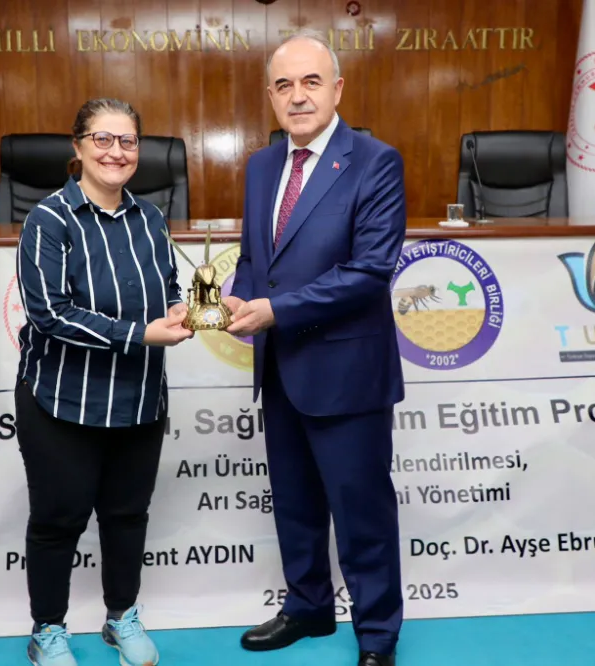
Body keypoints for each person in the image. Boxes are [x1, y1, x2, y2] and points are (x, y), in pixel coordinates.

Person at [224, 30, 406, 666]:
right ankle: (308, 607)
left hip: (348, 371)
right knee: (296, 504)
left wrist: (275, 311)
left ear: (337, 89)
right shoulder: (262, 166)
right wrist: (237, 298)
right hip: (280, 368)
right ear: (271, 96)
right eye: (283, 85)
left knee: (361, 512)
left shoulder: (375, 161)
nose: (297, 96)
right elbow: (256, 259)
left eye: (310, 82)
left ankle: (377, 635)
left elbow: (369, 271)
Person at [14, 97, 193, 666]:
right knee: (57, 520)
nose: (117, 152)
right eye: (103, 139)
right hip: (62, 400)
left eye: (128, 141)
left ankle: (121, 618)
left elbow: (167, 286)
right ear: (78, 146)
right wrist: (141, 334)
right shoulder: (49, 220)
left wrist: (179, 309)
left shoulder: (152, 218)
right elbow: (50, 314)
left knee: (126, 517)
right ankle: (48, 631)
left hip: (138, 399)